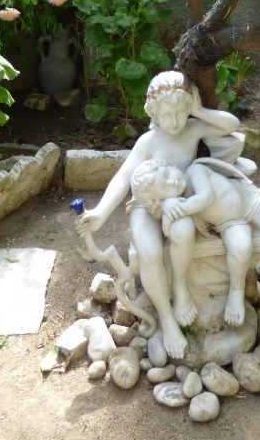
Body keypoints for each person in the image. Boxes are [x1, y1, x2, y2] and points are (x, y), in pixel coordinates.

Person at [75, 70, 241, 358]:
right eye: (166, 115)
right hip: (145, 205)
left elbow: (232, 125)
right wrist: (100, 212)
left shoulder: (192, 128)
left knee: (183, 229)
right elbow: (124, 177)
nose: (174, 122)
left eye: (180, 112)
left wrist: (199, 111)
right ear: (153, 113)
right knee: (150, 251)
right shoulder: (149, 141)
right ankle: (166, 317)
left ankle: (180, 287)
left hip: (177, 202)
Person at [130, 156, 260, 327]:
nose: (173, 182)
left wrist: (175, 212)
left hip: (250, 202)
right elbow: (164, 215)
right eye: (166, 189)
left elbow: (206, 197)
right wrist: (167, 207)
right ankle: (236, 291)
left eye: (167, 174)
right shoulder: (182, 199)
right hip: (230, 223)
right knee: (241, 248)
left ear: (170, 164)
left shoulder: (194, 171)